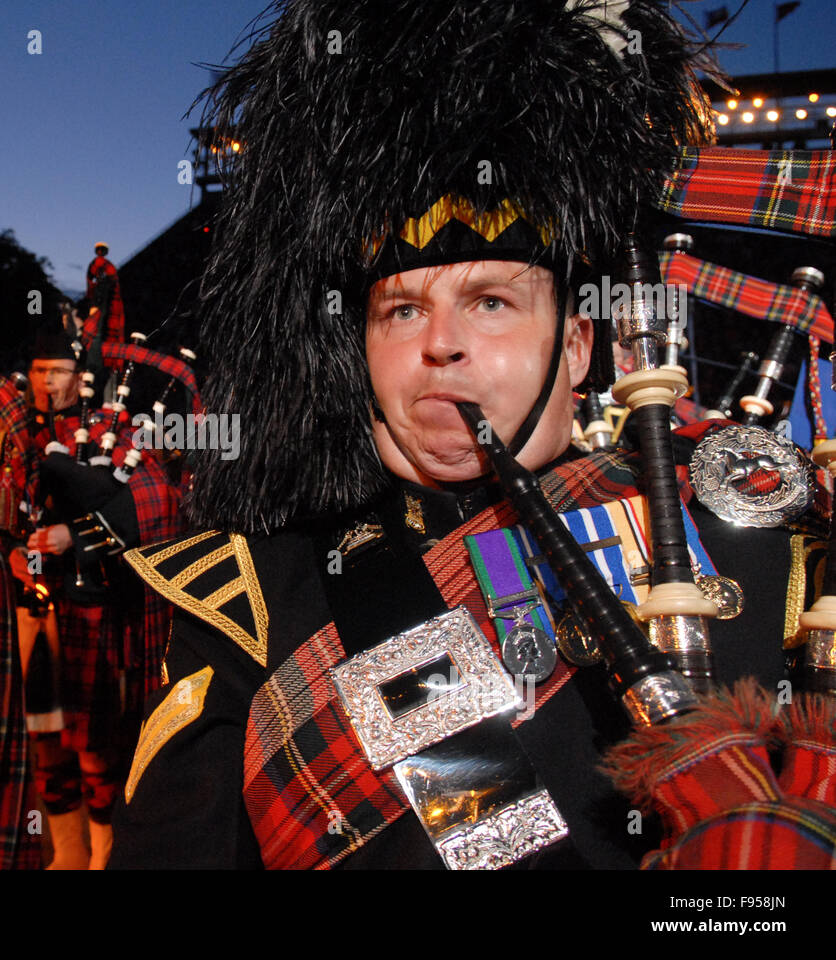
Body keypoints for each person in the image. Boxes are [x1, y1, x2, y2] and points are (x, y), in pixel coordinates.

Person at [111, 0, 836, 869]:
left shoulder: (761, 548)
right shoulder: (250, 598)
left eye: (490, 302)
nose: (440, 342)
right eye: (402, 308)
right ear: (362, 352)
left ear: (576, 346)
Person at [11, 333, 179, 868]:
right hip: (33, 610)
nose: (47, 382)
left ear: (83, 378)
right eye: (38, 370)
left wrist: (78, 537)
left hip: (95, 611)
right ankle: (65, 852)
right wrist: (12, 553)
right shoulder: (14, 436)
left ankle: (105, 854)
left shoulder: (119, 432)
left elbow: (157, 505)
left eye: (57, 370)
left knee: (93, 743)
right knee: (45, 738)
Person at [83, 243, 124, 347]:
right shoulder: (100, 264)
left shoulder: (104, 265)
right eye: (99, 250)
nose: (100, 252)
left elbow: (91, 280)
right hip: (101, 296)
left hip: (104, 297)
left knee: (99, 323)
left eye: (102, 250)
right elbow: (90, 280)